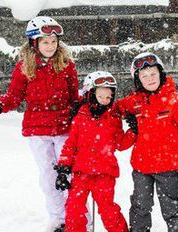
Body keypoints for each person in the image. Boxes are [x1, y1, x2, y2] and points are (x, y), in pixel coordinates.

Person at [0, 16, 80, 232]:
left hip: (64, 127)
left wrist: (84, 108)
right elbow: (13, 97)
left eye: (53, 41)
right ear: (34, 43)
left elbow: (74, 97)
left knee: (70, 174)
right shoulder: (24, 68)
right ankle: (59, 220)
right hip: (37, 129)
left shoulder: (67, 66)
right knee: (49, 177)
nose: (50, 46)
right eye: (45, 42)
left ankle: (78, 220)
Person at [115, 52, 178, 232]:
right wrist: (93, 105)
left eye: (153, 74)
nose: (149, 79)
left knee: (171, 208)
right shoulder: (135, 101)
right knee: (140, 206)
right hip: (141, 166)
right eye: (144, 76)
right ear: (138, 79)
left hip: (167, 166)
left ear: (161, 73)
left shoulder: (174, 100)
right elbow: (113, 109)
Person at [55, 71, 134, 232]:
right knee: (74, 208)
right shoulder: (80, 118)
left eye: (109, 97)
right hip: (81, 173)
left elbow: (121, 143)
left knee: (108, 209)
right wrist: (63, 168)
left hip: (105, 173)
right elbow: (70, 145)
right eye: (101, 95)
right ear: (90, 94)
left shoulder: (113, 118)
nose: (105, 100)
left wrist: (134, 131)